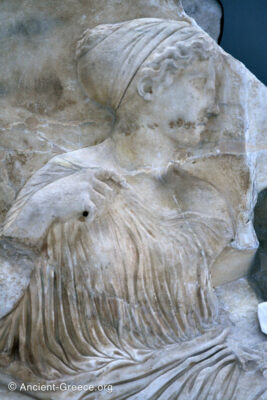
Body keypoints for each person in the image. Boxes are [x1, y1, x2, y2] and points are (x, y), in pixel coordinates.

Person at [0, 18, 266, 400]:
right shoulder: (66, 179)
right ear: (148, 86)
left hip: (202, 356)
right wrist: (37, 214)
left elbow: (224, 285)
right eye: (200, 85)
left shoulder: (203, 197)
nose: (213, 105)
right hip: (90, 374)